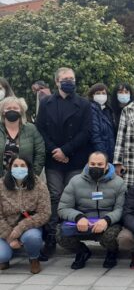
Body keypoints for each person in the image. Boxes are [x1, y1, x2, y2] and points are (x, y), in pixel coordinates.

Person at [36, 67, 92, 258]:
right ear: (57, 82)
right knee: (54, 196)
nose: (70, 81)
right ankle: (51, 237)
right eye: (65, 78)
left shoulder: (84, 104)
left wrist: (66, 150)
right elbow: (40, 129)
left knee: (73, 198)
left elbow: (86, 131)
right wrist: (56, 151)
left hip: (75, 158)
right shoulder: (46, 103)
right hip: (54, 159)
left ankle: (73, 238)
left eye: (72, 78)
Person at [57, 151, 126, 270]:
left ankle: (112, 252)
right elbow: (63, 208)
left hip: (108, 223)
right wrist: (79, 217)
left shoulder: (119, 183)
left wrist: (107, 220)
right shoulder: (75, 181)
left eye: (100, 164)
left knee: (111, 236)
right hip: (83, 222)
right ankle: (82, 252)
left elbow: (121, 209)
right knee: (60, 234)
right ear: (88, 164)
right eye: (92, 164)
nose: (96, 167)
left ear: (106, 166)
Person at [0, 156, 50, 274]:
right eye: (15, 166)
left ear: (29, 168)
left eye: (23, 166)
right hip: (4, 229)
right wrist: (9, 236)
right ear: (9, 168)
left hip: (29, 227)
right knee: (2, 256)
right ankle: (6, 256)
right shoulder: (1, 185)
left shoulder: (39, 185)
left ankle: (34, 258)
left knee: (32, 238)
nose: (19, 169)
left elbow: (44, 213)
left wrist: (20, 228)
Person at [0, 97, 45, 177]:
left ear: (21, 111)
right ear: (3, 112)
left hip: (25, 179)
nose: (12, 110)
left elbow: (40, 153)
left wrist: (33, 175)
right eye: (8, 108)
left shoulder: (31, 129)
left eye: (15, 108)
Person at [88, 83, 116, 163]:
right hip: (98, 156)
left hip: (109, 153)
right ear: (92, 95)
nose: (101, 95)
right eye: (98, 93)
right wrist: (103, 156)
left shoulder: (108, 110)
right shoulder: (91, 109)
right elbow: (95, 135)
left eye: (103, 93)